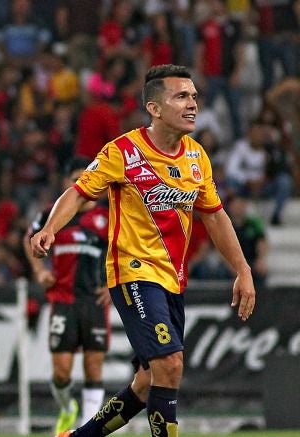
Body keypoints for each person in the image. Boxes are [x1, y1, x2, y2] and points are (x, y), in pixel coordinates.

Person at [30, 64, 256, 437]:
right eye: (181, 96)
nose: (192, 104)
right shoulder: (123, 151)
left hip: (172, 279)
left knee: (148, 379)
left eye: (194, 97)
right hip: (133, 271)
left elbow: (215, 218)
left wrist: (242, 269)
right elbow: (79, 191)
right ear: (154, 108)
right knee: (169, 363)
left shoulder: (197, 158)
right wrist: (50, 229)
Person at [23, 160, 110, 434]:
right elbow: (30, 236)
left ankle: (87, 429)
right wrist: (39, 270)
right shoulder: (54, 214)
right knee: (62, 372)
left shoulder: (107, 217)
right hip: (63, 299)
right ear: (66, 183)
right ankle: (67, 408)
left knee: (94, 367)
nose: (83, 184)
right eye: (76, 178)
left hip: (94, 300)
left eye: (88, 178)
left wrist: (112, 286)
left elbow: (124, 252)